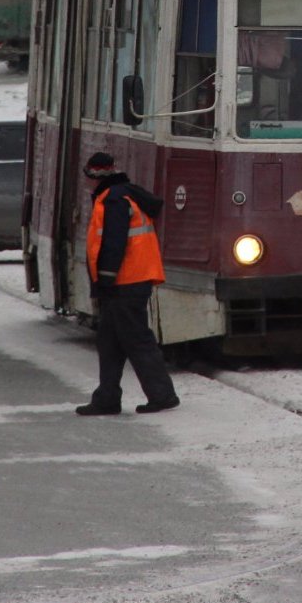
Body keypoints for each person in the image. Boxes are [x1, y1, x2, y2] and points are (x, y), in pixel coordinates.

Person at [75, 151, 179, 417]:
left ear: (95, 177)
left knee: (136, 339)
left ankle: (162, 395)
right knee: (109, 341)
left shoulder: (115, 199)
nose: (87, 183)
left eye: (88, 177)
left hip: (125, 282)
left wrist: (106, 279)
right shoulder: (123, 194)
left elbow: (113, 242)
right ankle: (107, 398)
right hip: (130, 279)